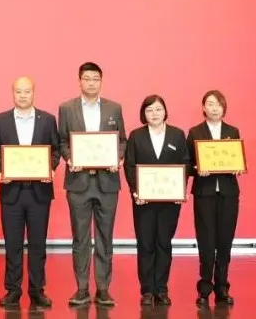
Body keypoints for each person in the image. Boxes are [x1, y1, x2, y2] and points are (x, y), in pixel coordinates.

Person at [58, 62, 127, 307]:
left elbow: (122, 140)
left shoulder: (114, 108)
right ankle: (81, 288)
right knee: (80, 238)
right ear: (79, 81)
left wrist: (118, 158)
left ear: (101, 81)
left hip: (107, 182)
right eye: (86, 78)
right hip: (78, 183)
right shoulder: (67, 108)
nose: (91, 83)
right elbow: (62, 141)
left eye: (95, 79)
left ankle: (104, 289)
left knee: (105, 237)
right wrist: (70, 159)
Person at [0, 76, 59, 309]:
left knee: (38, 244)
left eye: (27, 91)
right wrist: (2, 169)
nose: (23, 96)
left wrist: (50, 168)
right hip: (11, 192)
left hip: (39, 191)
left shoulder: (47, 120)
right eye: (18, 91)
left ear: (33, 93)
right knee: (13, 244)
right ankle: (12, 290)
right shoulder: (0, 120)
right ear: (13, 93)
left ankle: (37, 290)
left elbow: (55, 150)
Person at [124, 95, 190, 306]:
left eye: (158, 109)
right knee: (145, 244)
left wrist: (180, 190)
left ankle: (161, 289)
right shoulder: (136, 136)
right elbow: (130, 165)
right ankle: (147, 290)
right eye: (150, 110)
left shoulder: (177, 135)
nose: (154, 114)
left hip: (169, 202)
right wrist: (135, 191)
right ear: (143, 113)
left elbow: (185, 163)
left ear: (165, 112)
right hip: (143, 201)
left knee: (164, 243)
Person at [187, 90, 243, 306]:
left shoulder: (232, 131)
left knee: (225, 241)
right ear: (203, 108)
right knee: (206, 242)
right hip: (205, 193)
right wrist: (197, 169)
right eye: (210, 104)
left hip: (228, 194)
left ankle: (222, 288)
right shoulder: (195, 132)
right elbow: (188, 164)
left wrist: (238, 166)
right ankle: (204, 289)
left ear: (224, 107)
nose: (214, 108)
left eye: (218, 104)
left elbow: (237, 158)